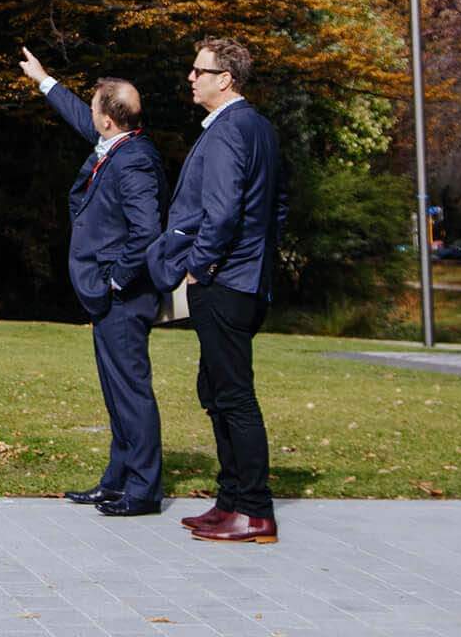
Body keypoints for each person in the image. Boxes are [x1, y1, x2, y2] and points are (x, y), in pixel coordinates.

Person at [147, 34, 285, 545]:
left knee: (233, 396)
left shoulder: (231, 130)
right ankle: (229, 500)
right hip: (246, 278)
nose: (190, 77)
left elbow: (223, 211)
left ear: (225, 79)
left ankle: (254, 511)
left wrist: (199, 268)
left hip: (226, 282)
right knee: (216, 391)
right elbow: (278, 206)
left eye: (198, 71)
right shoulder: (259, 128)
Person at [17, 47, 165, 516]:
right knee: (116, 392)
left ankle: (142, 492)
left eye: (96, 103)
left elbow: (147, 231)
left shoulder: (133, 161)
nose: (91, 110)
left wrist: (116, 281)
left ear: (108, 120)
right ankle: (116, 481)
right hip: (109, 297)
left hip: (122, 297)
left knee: (131, 392)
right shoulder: (116, 141)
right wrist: (43, 79)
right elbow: (82, 116)